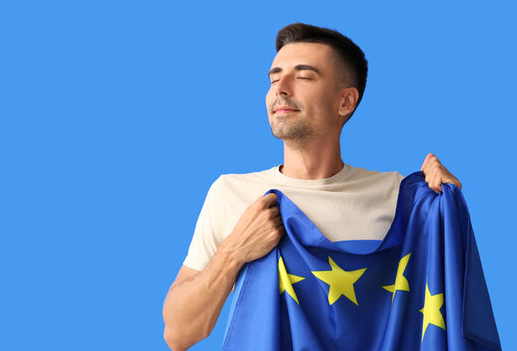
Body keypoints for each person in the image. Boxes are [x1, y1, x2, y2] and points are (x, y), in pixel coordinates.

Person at [161, 23, 464, 351]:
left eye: (303, 76)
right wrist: (234, 250)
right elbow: (179, 334)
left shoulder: (400, 199)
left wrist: (446, 206)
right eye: (274, 78)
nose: (281, 88)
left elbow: (445, 309)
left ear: (345, 101)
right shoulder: (230, 193)